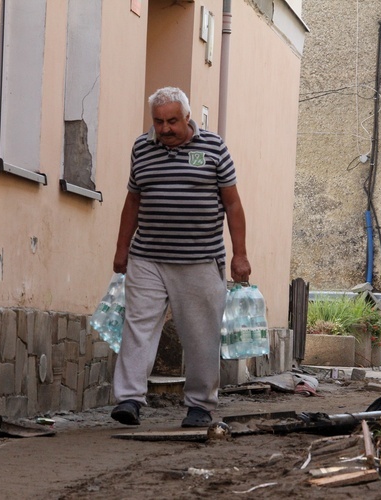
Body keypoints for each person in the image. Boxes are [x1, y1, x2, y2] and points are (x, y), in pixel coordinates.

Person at [109, 87, 251, 428]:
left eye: (172, 121)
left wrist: (240, 254)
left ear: (187, 118)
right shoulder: (142, 148)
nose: (165, 128)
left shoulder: (213, 148)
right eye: (158, 122)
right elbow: (133, 201)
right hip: (148, 257)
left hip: (200, 259)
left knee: (201, 334)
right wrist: (121, 248)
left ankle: (200, 405)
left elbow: (232, 204)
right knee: (138, 327)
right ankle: (129, 399)